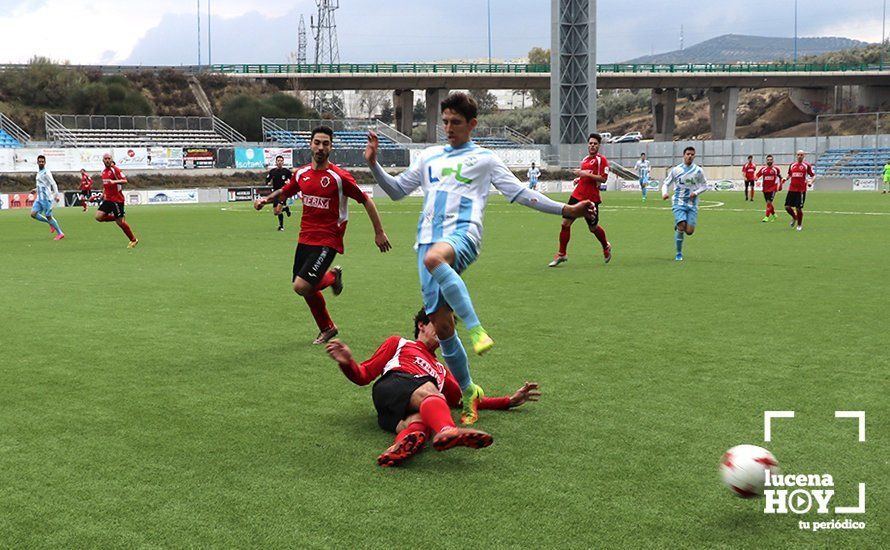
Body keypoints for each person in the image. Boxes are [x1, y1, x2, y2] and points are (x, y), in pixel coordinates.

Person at [364, 91, 594, 424]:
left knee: (435, 260)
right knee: (442, 328)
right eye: (444, 121)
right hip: (425, 241)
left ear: (472, 124)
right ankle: (470, 389)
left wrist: (566, 208)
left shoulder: (485, 159)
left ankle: (476, 329)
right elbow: (398, 190)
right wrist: (373, 164)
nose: (448, 127)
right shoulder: (428, 157)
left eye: (455, 122)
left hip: (463, 234)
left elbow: (521, 193)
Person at [325, 309, 541, 467]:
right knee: (430, 392)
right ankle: (447, 430)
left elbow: (462, 401)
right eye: (440, 323)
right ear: (422, 325)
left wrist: (508, 401)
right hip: (392, 386)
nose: (444, 330)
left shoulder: (442, 369)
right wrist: (347, 362)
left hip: (392, 415)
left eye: (448, 328)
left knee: (421, 423)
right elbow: (363, 376)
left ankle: (400, 445)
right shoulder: (400, 343)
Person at [256, 126, 392, 344]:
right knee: (305, 289)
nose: (320, 147)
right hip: (305, 238)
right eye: (317, 142)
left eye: (325, 143)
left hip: (328, 239)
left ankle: (332, 277)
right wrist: (266, 200)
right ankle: (327, 328)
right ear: (310, 144)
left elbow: (366, 200)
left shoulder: (339, 177)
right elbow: (285, 191)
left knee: (302, 286)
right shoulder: (302, 174)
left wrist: (379, 232)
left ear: (331, 147)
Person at [548, 133, 613, 268]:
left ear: (599, 146)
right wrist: (579, 179)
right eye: (590, 143)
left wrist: (584, 174)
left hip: (591, 199)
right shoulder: (584, 160)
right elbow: (587, 177)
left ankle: (605, 246)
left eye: (595, 143)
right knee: (565, 223)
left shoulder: (602, 160)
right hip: (577, 195)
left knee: (593, 228)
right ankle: (562, 254)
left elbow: (603, 179)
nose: (592, 145)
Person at [662, 146, 709, 261]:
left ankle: (679, 224)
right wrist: (664, 193)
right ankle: (678, 253)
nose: (690, 156)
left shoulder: (698, 171)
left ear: (694, 156)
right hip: (678, 202)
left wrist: (696, 192)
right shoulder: (676, 170)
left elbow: (705, 186)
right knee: (682, 227)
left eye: (692, 154)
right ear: (684, 155)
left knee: (689, 231)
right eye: (688, 154)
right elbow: (665, 183)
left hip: (692, 204)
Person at [95, 153, 138, 248]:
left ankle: (133, 240)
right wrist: (103, 193)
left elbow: (125, 180)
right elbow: (105, 184)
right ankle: (118, 217)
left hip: (117, 200)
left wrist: (114, 181)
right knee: (98, 217)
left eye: (109, 158)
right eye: (105, 159)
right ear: (103, 160)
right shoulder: (103, 171)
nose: (107, 160)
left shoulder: (116, 170)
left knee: (120, 223)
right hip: (108, 199)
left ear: (111, 160)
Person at [30, 155, 65, 240]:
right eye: (40, 161)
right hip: (39, 198)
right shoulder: (39, 172)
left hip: (46, 198)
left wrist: (56, 195)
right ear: (37, 162)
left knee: (49, 216)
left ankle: (60, 233)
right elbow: (42, 184)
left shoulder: (46, 172)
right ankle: (50, 223)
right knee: (33, 214)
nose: (41, 163)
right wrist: (35, 190)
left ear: (45, 163)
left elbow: (53, 184)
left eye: (43, 161)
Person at [785, 150, 815, 231]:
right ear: (796, 156)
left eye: (801, 155)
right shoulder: (792, 165)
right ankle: (794, 217)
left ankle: (799, 225)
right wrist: (786, 179)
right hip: (792, 189)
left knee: (798, 208)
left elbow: (813, 175)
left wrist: (810, 182)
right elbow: (790, 174)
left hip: (801, 190)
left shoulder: (806, 165)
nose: (799, 156)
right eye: (798, 155)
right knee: (787, 207)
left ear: (804, 156)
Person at [265, 155, 293, 231]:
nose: (280, 162)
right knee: (275, 212)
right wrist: (268, 183)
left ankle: (281, 226)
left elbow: (293, 180)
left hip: (283, 193)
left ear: (283, 162)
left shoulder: (286, 171)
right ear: (276, 162)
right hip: (275, 193)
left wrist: (289, 182)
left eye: (281, 161)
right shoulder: (272, 171)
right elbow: (267, 180)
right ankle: (286, 208)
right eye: (278, 161)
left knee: (278, 210)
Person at [756, 155, 783, 222]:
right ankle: (774, 215)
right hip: (765, 188)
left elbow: (780, 177)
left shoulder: (776, 169)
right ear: (766, 161)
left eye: (771, 160)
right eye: (768, 160)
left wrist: (780, 186)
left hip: (773, 188)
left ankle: (766, 217)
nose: (769, 161)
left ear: (773, 161)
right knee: (769, 204)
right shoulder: (763, 169)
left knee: (769, 202)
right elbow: (757, 175)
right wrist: (756, 178)